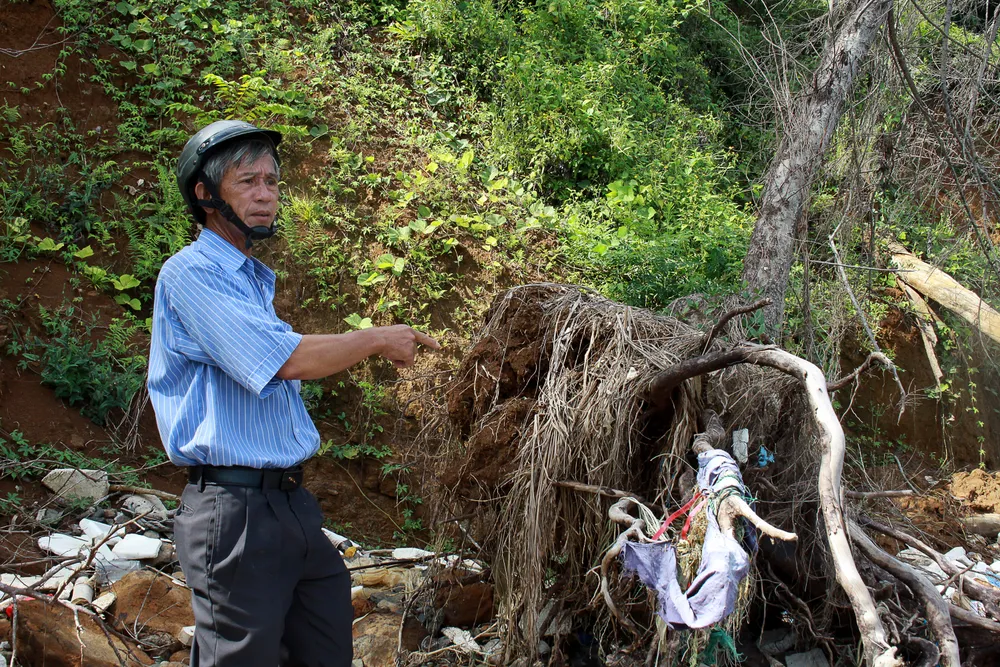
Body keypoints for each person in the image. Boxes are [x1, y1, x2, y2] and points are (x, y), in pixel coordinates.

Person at [147, 120, 440, 667]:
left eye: (272, 182)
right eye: (248, 182)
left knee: (326, 649)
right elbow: (286, 360)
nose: (265, 195)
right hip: (231, 512)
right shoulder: (191, 275)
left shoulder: (249, 282)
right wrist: (376, 338)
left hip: (290, 505)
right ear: (206, 195)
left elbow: (289, 353)